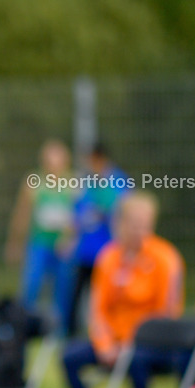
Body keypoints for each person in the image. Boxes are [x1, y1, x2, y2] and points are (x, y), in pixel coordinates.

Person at [62, 192, 184, 388]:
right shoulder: (109, 257)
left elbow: (166, 313)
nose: (140, 231)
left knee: (135, 360)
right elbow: (98, 310)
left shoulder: (165, 257)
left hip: (151, 343)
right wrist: (105, 345)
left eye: (145, 225)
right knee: (69, 356)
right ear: (119, 223)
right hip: (113, 342)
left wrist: (129, 344)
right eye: (134, 224)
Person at [5, 139, 76, 332]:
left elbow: (77, 216)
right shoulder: (34, 182)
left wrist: (71, 239)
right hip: (39, 244)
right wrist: (15, 243)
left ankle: (59, 331)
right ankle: (23, 326)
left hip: (62, 247)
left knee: (62, 289)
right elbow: (22, 215)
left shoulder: (72, 183)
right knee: (31, 286)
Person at [65, 142, 130, 336]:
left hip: (108, 253)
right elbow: (77, 213)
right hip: (85, 252)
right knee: (76, 294)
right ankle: (71, 333)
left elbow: (124, 211)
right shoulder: (85, 182)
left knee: (105, 295)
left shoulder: (118, 181)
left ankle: (107, 330)